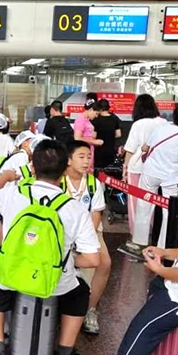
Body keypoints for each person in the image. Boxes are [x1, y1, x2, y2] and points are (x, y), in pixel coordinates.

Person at [0, 139, 101, 355]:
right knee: (80, 293)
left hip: (11, 275)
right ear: (64, 170)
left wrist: (6, 177)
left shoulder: (13, 194)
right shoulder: (75, 208)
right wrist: (67, 261)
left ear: (33, 167)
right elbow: (93, 260)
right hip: (54, 281)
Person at [106, 160, 178, 355]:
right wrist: (164, 253)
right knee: (154, 292)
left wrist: (159, 269)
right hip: (177, 287)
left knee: (142, 329)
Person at [122, 103, 178, 254]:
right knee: (169, 212)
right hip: (172, 177)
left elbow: (145, 147)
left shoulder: (161, 128)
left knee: (143, 206)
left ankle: (139, 242)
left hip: (150, 172)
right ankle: (162, 248)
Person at [63, 141, 111, 335]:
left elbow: (96, 215)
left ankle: (90, 309)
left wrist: (84, 242)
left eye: (88, 157)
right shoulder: (59, 181)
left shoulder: (93, 183)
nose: (86, 161)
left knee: (104, 263)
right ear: (68, 159)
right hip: (63, 232)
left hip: (89, 231)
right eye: (81, 157)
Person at [122, 94, 168, 235]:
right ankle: (152, 231)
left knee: (135, 202)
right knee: (154, 201)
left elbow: (130, 150)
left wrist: (125, 169)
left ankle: (136, 234)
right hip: (157, 168)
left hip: (137, 167)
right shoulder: (163, 122)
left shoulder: (138, 124)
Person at [92, 99, 122, 172]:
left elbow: (93, 136)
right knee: (109, 171)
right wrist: (110, 136)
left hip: (99, 151)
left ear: (99, 108)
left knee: (99, 171)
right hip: (111, 150)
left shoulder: (96, 120)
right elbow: (118, 134)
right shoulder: (114, 118)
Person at [73, 99, 103, 171]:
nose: (96, 116)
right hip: (83, 152)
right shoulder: (81, 120)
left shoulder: (86, 120)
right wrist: (94, 141)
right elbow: (77, 138)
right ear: (91, 109)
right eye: (96, 113)